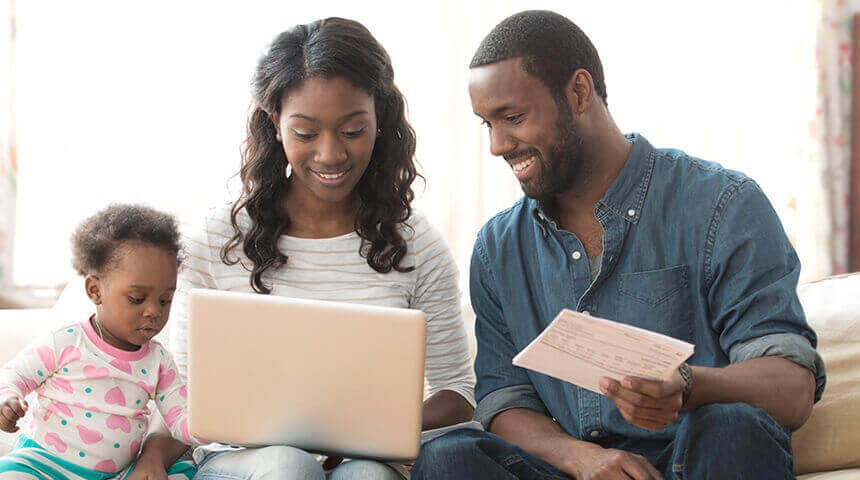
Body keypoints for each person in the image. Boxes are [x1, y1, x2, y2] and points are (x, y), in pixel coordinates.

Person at [413, 10, 826, 480]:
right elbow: (505, 401)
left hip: (696, 465)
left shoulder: (721, 204)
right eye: (486, 123)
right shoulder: (498, 249)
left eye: (512, 118)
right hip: (578, 472)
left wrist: (688, 385)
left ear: (579, 92)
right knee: (448, 455)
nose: (497, 144)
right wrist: (581, 458)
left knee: (730, 424)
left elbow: (793, 388)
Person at [132, 17, 476, 480]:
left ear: (380, 121)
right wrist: (151, 460)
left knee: (368, 476)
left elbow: (456, 392)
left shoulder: (419, 246)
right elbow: (183, 389)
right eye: (306, 133)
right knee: (286, 466)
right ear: (275, 124)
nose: (331, 155)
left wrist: (368, 431)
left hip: (366, 461)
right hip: (240, 462)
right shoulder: (217, 237)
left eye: (353, 130)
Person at [0, 204, 198, 480]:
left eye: (165, 299)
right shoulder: (67, 341)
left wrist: (214, 423)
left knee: (181, 473)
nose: (154, 310)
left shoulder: (159, 361)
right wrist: (8, 398)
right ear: (95, 290)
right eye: (137, 299)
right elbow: (14, 374)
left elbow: (180, 420)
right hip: (46, 465)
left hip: (118, 473)